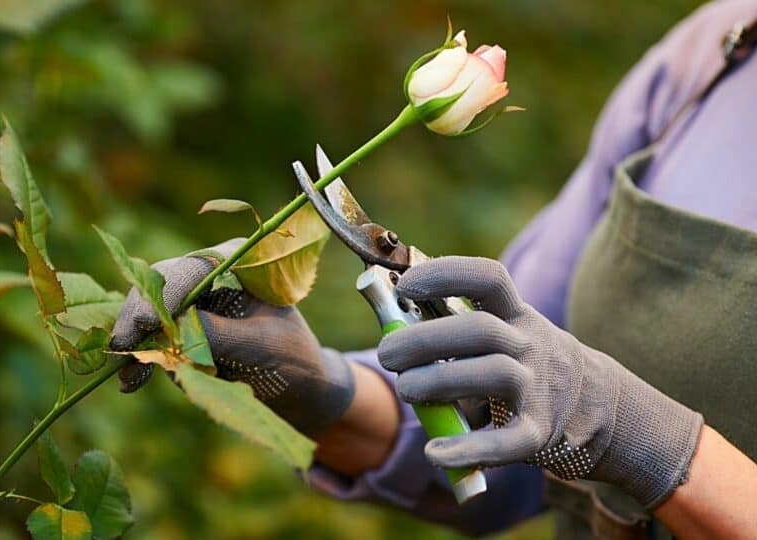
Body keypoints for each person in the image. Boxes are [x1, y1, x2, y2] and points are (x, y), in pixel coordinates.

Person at [110, 2, 757, 537]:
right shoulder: (715, 55)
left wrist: (649, 441)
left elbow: (581, 410)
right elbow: (509, 421)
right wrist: (320, 390)